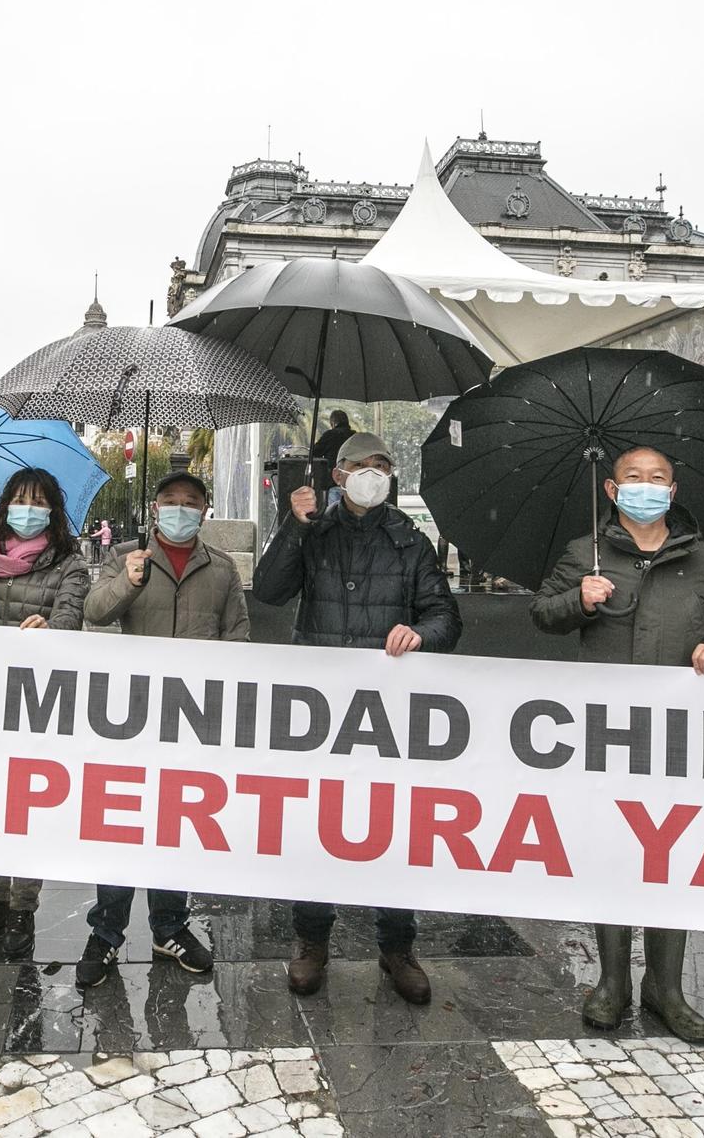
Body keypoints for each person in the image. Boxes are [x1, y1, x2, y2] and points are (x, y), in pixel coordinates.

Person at [529, 445, 704, 1045]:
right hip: (607, 732)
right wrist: (580, 599)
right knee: (613, 848)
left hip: (680, 734)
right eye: (635, 478)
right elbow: (542, 613)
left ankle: (666, 986)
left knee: (670, 854)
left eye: (658, 479)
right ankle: (610, 981)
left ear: (673, 492)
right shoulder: (586, 553)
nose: (646, 487)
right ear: (611, 490)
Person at [253, 430, 460, 1007]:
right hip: (318, 707)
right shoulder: (314, 529)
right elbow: (269, 590)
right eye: (360, 465)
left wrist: (420, 633)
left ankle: (398, 945)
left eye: (382, 464)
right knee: (317, 820)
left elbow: (445, 614)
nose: (373, 473)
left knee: (392, 824)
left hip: (385, 712)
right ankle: (311, 941)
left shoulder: (408, 541)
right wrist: (294, 526)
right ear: (339, 475)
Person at [76, 471, 246, 991]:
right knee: (124, 826)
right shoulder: (127, 558)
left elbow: (238, 638)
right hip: (133, 719)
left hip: (193, 722)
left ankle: (169, 927)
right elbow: (95, 612)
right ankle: (106, 934)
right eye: (170, 501)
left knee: (177, 826)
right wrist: (128, 580)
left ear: (204, 511)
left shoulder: (221, 570)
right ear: (154, 509)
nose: (179, 509)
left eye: (189, 502)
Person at [0, 467, 91, 960]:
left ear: (53, 511)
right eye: (20, 499)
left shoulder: (69, 564)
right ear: (5, 506)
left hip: (38, 703)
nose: (28, 508)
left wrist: (50, 629)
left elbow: (70, 617)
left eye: (39, 500)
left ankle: (23, 908)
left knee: (26, 810)